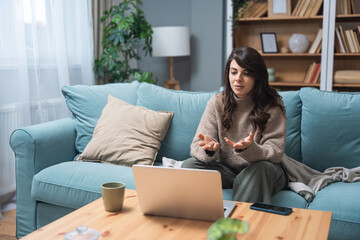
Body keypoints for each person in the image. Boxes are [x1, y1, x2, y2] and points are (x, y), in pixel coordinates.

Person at [181, 46, 287, 203]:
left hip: (263, 170)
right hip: (229, 172)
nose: (238, 78)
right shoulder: (217, 103)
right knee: (189, 165)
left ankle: (235, 225)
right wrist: (209, 150)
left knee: (259, 170)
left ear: (257, 77)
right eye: (234, 72)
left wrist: (250, 149)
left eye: (246, 73)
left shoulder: (272, 104)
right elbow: (197, 146)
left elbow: (276, 151)